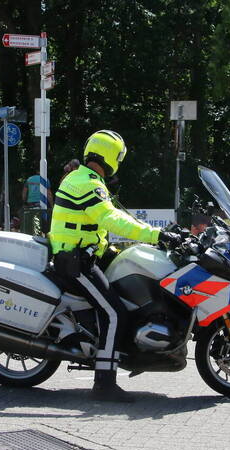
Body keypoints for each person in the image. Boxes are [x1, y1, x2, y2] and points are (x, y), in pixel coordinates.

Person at [49, 130, 181, 402]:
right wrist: (156, 234)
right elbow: (113, 220)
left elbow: (111, 217)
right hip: (75, 263)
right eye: (118, 157)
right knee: (114, 313)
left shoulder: (82, 178)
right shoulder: (88, 184)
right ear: (111, 156)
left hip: (82, 255)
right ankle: (104, 384)